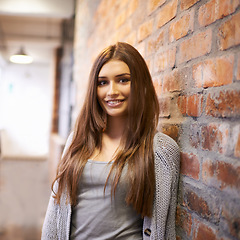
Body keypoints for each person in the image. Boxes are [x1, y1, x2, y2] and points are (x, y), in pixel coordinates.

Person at [41, 42, 180, 240]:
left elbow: (165, 230)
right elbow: (55, 212)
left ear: (140, 84)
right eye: (102, 82)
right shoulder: (77, 140)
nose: (111, 91)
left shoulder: (161, 150)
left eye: (123, 80)